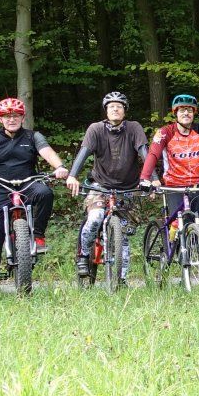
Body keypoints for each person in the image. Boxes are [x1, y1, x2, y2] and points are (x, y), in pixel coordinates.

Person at [0, 98, 70, 292]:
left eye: (16, 116)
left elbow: (47, 152)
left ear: (22, 118)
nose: (12, 119)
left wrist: (59, 166)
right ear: (0, 119)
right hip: (0, 185)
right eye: (7, 116)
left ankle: (38, 235)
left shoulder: (32, 137)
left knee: (45, 193)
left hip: (28, 183)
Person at [140, 94, 199, 283]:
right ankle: (178, 268)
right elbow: (153, 154)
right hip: (174, 186)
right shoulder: (165, 132)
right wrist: (145, 178)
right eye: (182, 110)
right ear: (175, 113)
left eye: (189, 110)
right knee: (178, 227)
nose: (186, 113)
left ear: (194, 113)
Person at [64, 91, 147, 282]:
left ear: (125, 110)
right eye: (111, 106)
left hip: (127, 188)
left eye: (119, 106)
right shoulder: (96, 129)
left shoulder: (134, 128)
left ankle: (121, 280)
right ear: (106, 110)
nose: (115, 109)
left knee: (124, 233)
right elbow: (84, 153)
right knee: (95, 218)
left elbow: (144, 152)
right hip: (100, 185)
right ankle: (84, 255)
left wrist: (152, 178)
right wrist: (72, 175)